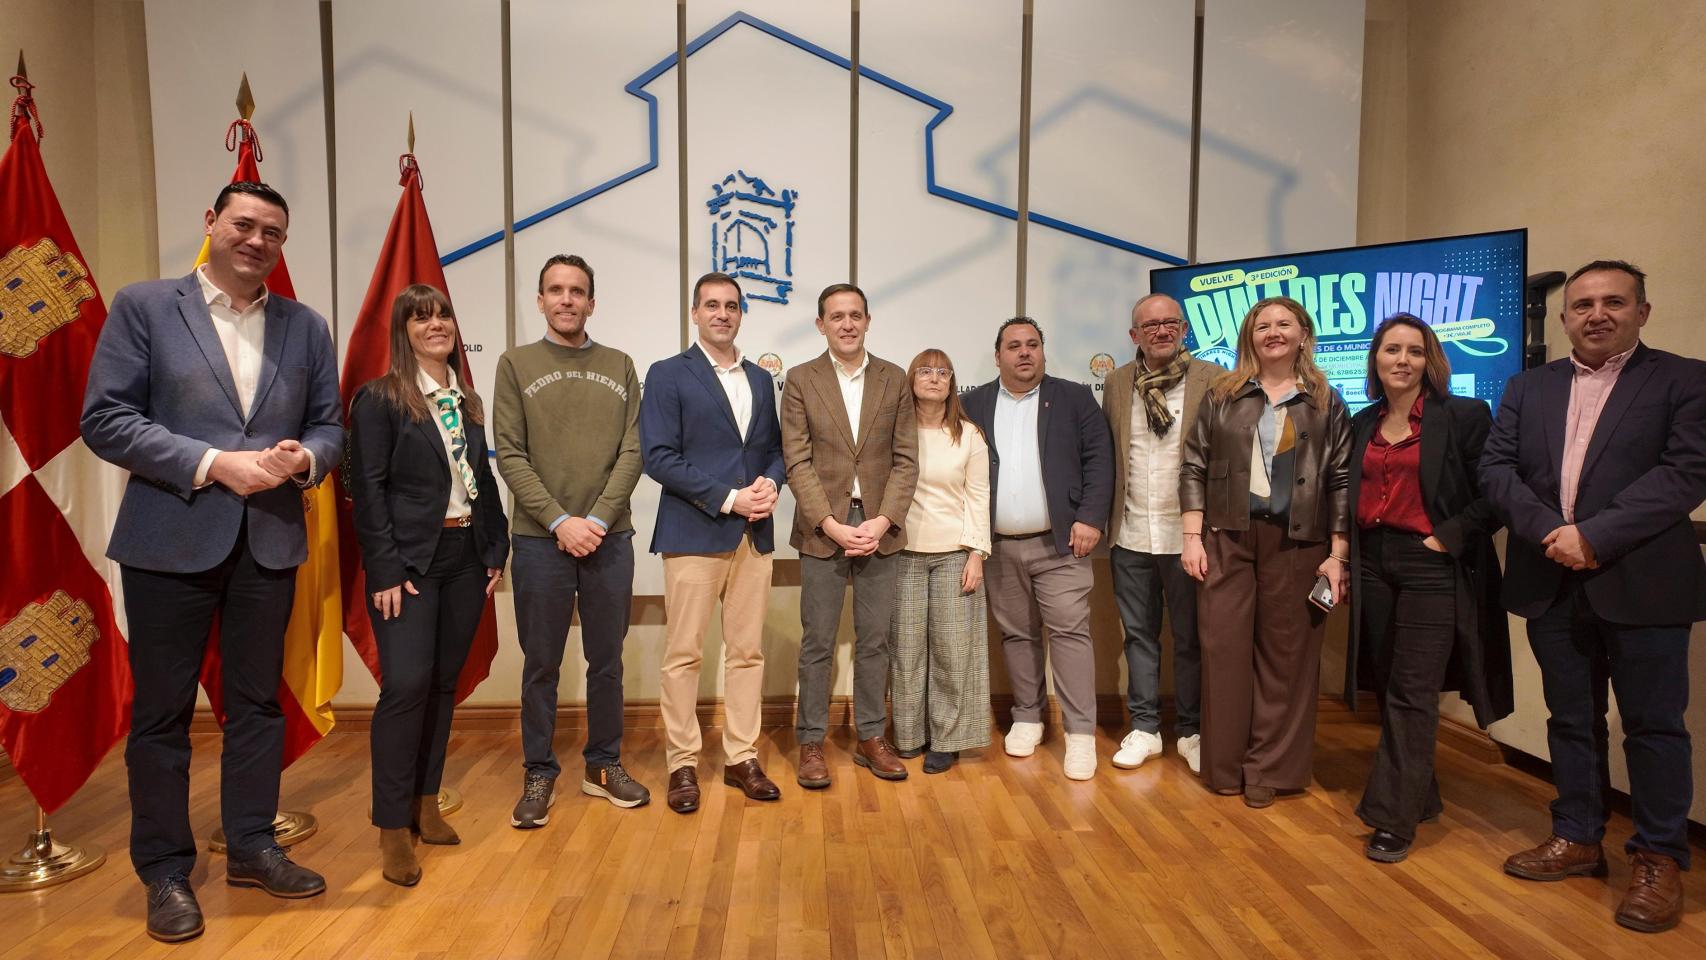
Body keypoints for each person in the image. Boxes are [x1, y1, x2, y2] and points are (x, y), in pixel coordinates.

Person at [80, 181, 341, 943]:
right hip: (170, 539)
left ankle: (253, 845)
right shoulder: (145, 307)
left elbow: (329, 427)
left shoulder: (305, 326)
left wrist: (303, 459)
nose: (257, 241)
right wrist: (212, 463)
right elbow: (106, 419)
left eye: (273, 232)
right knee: (163, 714)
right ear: (212, 224)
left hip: (269, 539)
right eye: (244, 224)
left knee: (257, 704)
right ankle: (165, 870)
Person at [1481, 260, 1706, 934]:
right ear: (1565, 317)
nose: (1597, 314)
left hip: (1643, 582)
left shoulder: (1685, 380)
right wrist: (1553, 533)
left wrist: (1595, 536)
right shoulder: (1527, 386)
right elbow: (1496, 469)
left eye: (1614, 302)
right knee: (1571, 719)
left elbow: (1686, 473)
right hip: (1550, 577)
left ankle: (1659, 857)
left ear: (1642, 311)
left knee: (1654, 727)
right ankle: (1578, 836)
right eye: (1583, 305)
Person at [347, 284, 507, 885]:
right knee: (406, 687)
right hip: (409, 563)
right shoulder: (381, 398)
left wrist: (496, 546)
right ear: (404, 330)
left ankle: (424, 802)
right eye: (421, 318)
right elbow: (367, 490)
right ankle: (391, 826)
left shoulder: (467, 399)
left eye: (442, 315)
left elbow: (479, 478)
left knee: (442, 684)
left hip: (466, 555)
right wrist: (385, 568)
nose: (435, 324)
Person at [1342, 314, 1511, 864]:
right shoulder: (1362, 422)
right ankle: (1421, 795)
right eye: (1391, 349)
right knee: (1390, 682)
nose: (1402, 360)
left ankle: (1392, 818)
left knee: (1413, 690)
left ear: (1430, 361)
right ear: (1375, 359)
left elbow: (1497, 494)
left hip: (1430, 563)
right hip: (1373, 562)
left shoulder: (1464, 415)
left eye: (1415, 351)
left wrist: (1445, 539)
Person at [1179, 295, 1351, 808]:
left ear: (1303, 334)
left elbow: (1341, 480)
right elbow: (1193, 465)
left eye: (1284, 324)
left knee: (1287, 658)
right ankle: (1225, 767)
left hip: (1298, 542)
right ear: (1249, 338)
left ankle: (1269, 770)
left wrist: (1338, 554)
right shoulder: (1223, 395)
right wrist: (1192, 537)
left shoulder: (1326, 402)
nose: (1273, 332)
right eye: (1262, 326)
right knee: (1223, 652)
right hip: (1227, 538)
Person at [494, 254, 649, 821]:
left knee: (607, 661)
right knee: (541, 664)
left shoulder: (621, 364)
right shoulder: (515, 364)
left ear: (591, 302)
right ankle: (539, 771)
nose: (566, 299)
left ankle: (603, 765)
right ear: (540, 301)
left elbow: (634, 450)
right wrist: (561, 521)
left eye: (577, 291)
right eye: (556, 290)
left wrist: (598, 521)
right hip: (540, 541)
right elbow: (509, 454)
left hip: (610, 537)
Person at [640, 272, 786, 814]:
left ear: (741, 313)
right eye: (712, 305)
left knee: (747, 653)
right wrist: (729, 499)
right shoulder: (667, 374)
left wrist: (771, 483)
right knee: (684, 655)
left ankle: (741, 756)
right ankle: (682, 763)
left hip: (753, 535)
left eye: (731, 306)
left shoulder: (761, 379)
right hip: (694, 531)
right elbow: (658, 456)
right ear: (695, 313)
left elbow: (774, 449)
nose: (722, 314)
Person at [964, 317, 1114, 781]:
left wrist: (1090, 518)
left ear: (1043, 352)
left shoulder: (1074, 397)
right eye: (1014, 346)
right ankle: (1028, 717)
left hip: (1061, 544)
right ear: (998, 356)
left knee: (1070, 634)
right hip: (998, 547)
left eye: (1033, 344)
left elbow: (1100, 459)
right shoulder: (972, 403)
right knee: (1017, 635)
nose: (1024, 352)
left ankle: (1081, 734)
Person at [782, 282, 918, 788]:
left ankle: (871, 736)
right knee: (817, 641)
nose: (847, 324)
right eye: (836, 316)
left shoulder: (894, 378)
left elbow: (906, 460)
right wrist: (831, 524)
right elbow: (796, 461)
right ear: (821, 324)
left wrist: (882, 521)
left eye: (855, 315)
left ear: (867, 321)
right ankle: (811, 741)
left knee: (875, 640)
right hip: (824, 530)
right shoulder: (801, 379)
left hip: (880, 529)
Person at [1102, 294, 1219, 774]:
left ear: (1184, 329)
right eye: (1150, 325)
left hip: (1190, 536)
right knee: (1138, 637)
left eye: (1171, 322)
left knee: (1191, 638)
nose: (1161, 331)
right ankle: (1146, 729)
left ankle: (1191, 731)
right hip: (1130, 533)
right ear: (1135, 335)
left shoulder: (1215, 380)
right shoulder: (1116, 383)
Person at [889, 349, 992, 775]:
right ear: (911, 379)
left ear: (952, 383)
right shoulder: (894, 432)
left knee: (952, 652)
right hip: (901, 552)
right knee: (906, 652)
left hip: (954, 554)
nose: (934, 378)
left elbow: (978, 497)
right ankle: (908, 736)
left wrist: (977, 553)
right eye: (925, 371)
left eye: (943, 372)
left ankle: (947, 740)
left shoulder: (969, 435)